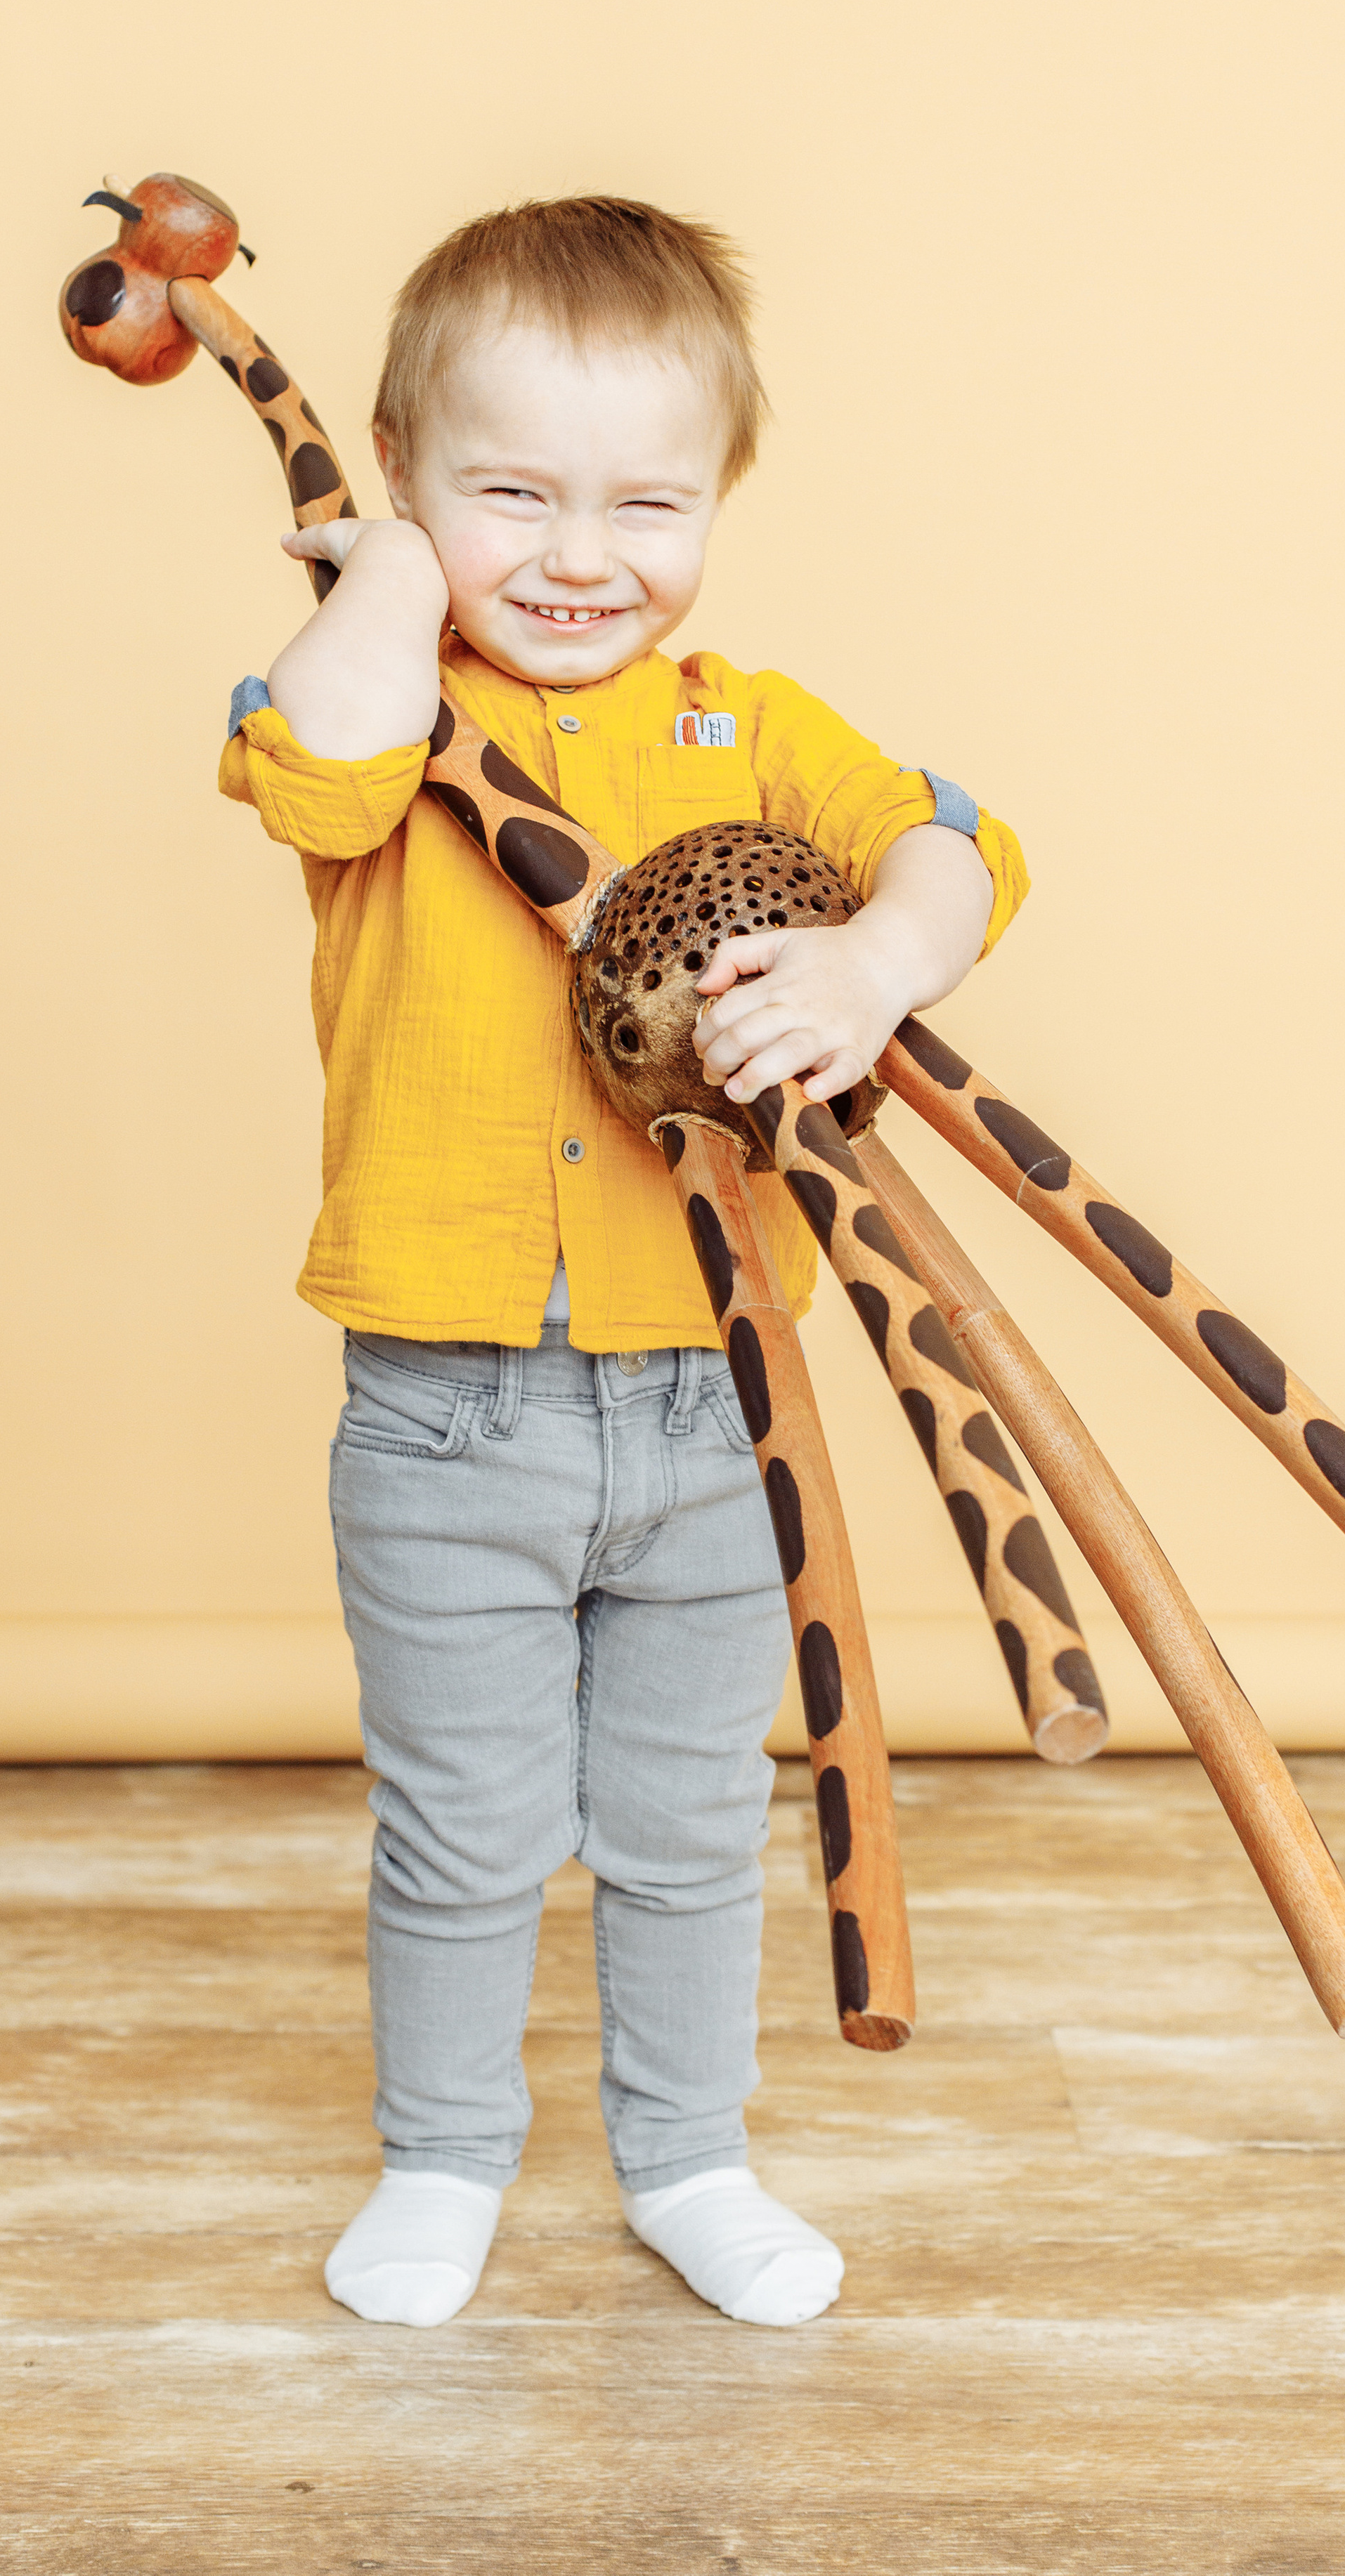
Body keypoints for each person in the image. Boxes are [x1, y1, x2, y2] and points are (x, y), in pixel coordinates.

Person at [218, 197, 1027, 2328]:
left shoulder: (740, 726)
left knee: (685, 1824)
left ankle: (685, 2154)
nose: (581, 554)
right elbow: (318, 771)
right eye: (508, 494)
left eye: (647, 502)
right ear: (399, 480)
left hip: (713, 1396)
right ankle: (444, 2158)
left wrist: (875, 956)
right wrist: (394, 578)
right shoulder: (388, 711)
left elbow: (962, 836)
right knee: (468, 1830)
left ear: (718, 503)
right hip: (445, 1405)